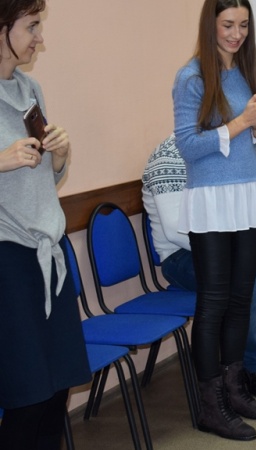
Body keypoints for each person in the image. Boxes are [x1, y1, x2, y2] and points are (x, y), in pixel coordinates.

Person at [172, 0, 256, 441]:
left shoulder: (246, 71)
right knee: (214, 302)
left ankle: (235, 389)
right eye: (227, 25)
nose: (236, 34)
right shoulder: (191, 77)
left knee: (241, 298)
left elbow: (254, 140)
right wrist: (242, 123)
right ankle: (209, 405)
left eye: (243, 25)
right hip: (211, 198)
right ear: (210, 25)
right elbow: (188, 146)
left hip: (246, 191)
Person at [0, 1, 92, 448]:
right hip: (9, 261)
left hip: (49, 257)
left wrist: (59, 157)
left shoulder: (29, 87)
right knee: (28, 394)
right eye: (31, 26)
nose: (40, 37)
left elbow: (42, 182)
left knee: (57, 390)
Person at [141, 134, 256, 402]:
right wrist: (243, 249)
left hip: (235, 246)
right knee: (250, 287)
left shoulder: (234, 149)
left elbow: (253, 207)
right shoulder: (168, 157)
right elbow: (175, 231)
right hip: (182, 256)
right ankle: (251, 367)